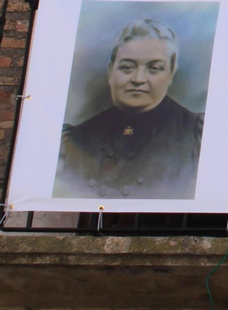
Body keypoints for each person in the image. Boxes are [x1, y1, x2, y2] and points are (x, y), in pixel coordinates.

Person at [53, 17, 204, 199]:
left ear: (170, 73)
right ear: (111, 72)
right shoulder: (72, 141)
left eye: (154, 68)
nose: (138, 79)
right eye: (127, 67)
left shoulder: (195, 136)